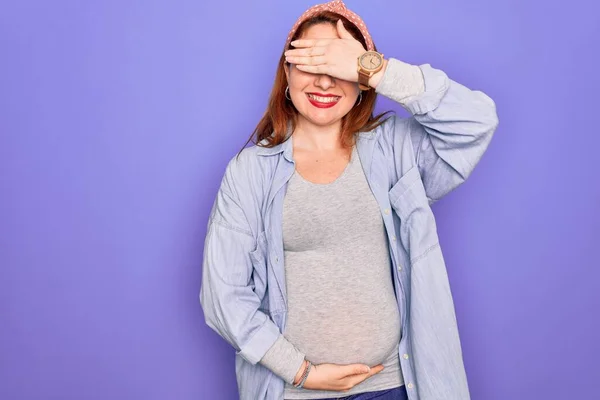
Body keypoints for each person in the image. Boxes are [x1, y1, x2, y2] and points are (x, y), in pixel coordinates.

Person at [199, 1, 499, 399]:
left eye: (339, 67)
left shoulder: (394, 149)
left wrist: (376, 67)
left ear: (362, 83)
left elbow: (477, 122)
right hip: (294, 393)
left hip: (394, 386)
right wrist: (301, 371)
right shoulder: (250, 171)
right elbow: (223, 295)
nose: (325, 82)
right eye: (310, 63)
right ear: (286, 73)